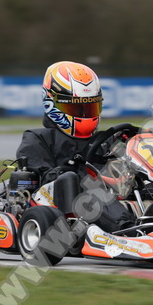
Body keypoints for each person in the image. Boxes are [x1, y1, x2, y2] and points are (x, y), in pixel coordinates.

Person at [15, 61, 134, 232]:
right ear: (51, 103)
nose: (84, 114)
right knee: (77, 179)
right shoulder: (37, 138)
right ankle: (127, 228)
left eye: (90, 107)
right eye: (76, 108)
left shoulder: (106, 140)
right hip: (63, 205)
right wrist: (71, 169)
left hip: (111, 199)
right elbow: (43, 178)